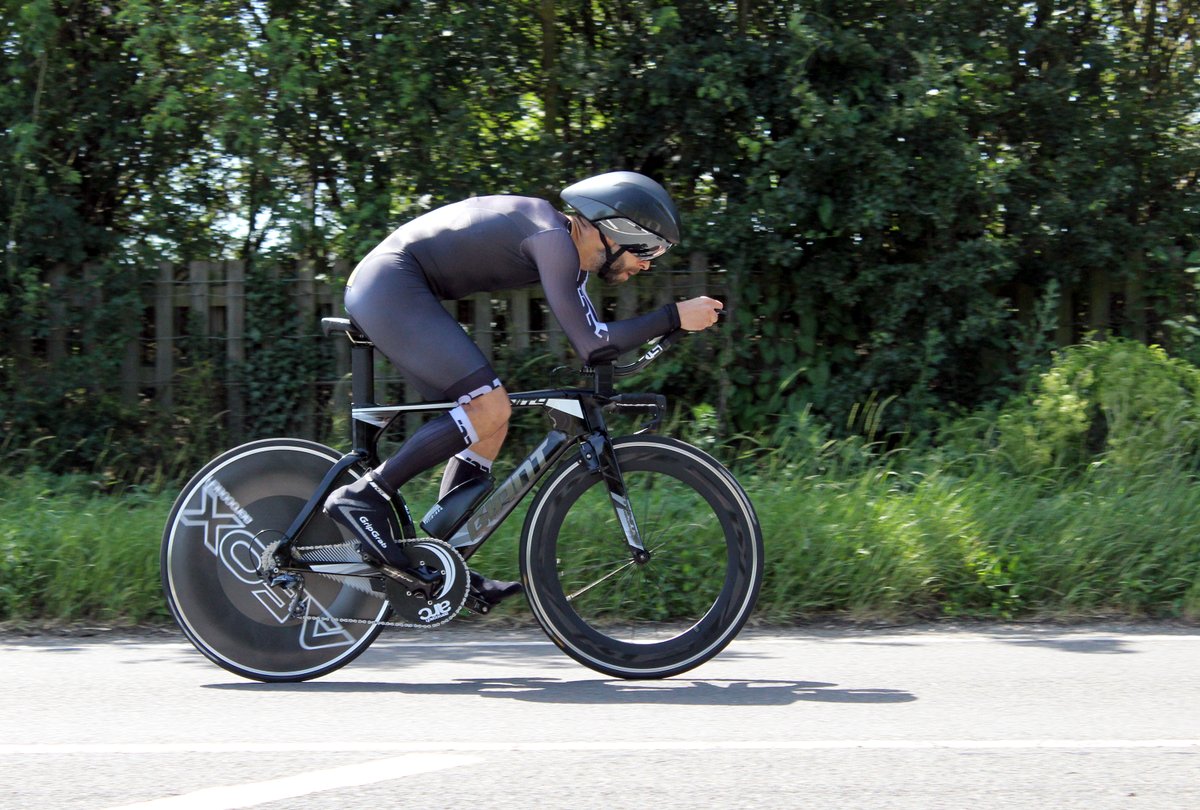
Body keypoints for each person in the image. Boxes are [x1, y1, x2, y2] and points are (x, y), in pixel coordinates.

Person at [323, 171, 724, 607]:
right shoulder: (553, 238)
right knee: (488, 406)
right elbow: (592, 343)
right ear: (616, 230)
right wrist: (672, 316)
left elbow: (593, 346)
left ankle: (448, 562)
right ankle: (364, 496)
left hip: (400, 286)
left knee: (491, 422)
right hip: (390, 283)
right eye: (648, 249)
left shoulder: (566, 256)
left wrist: (661, 326)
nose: (647, 263)